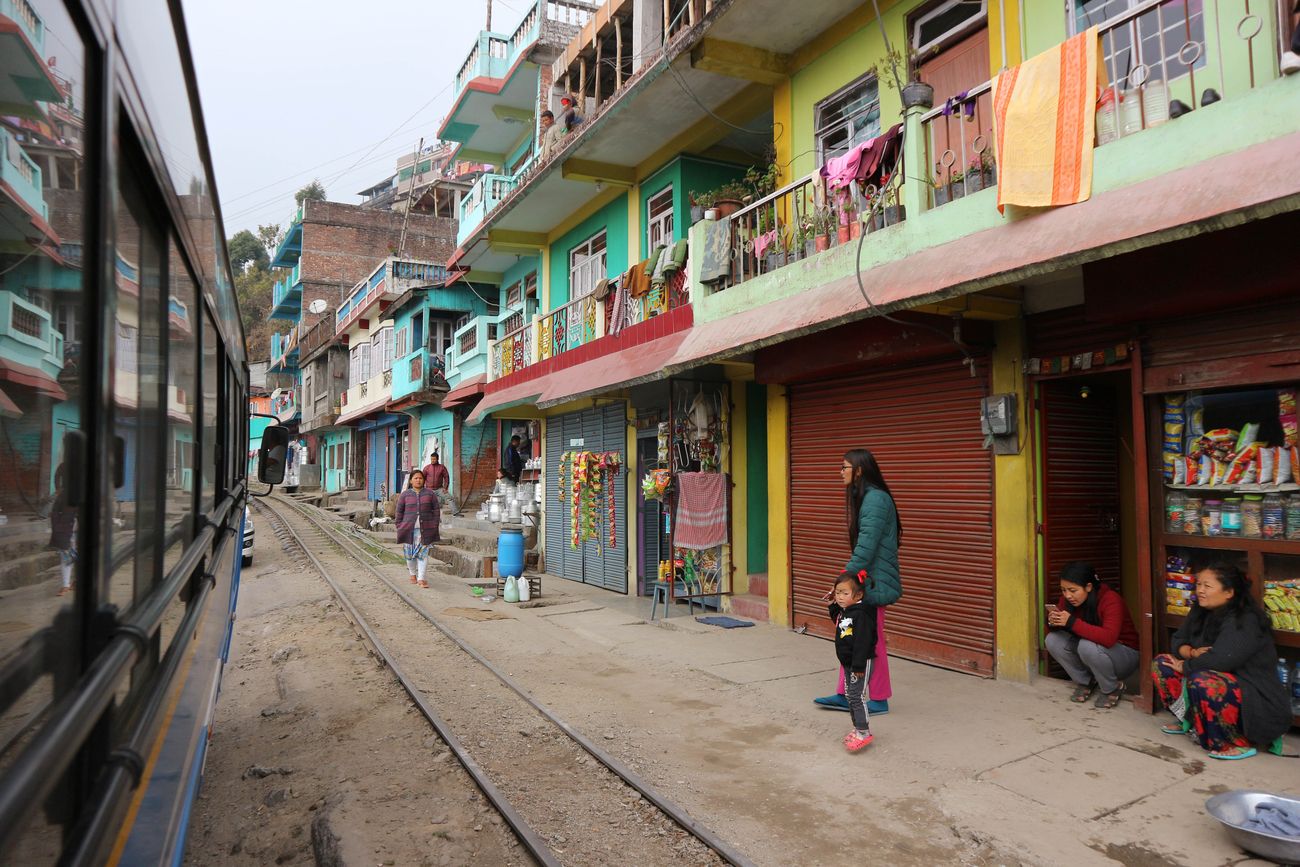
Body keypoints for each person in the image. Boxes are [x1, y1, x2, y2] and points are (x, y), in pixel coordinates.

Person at [1151, 562, 1291, 760]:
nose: (1200, 590)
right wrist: (1190, 652)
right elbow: (1178, 640)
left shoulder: (1245, 619)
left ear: (1228, 592)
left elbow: (1221, 660)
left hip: (1253, 694)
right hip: (1208, 671)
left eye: (1207, 586)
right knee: (1162, 664)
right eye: (1198, 584)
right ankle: (1191, 722)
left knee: (1202, 681)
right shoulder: (1200, 611)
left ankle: (1236, 741)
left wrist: (1186, 665)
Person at [814, 449, 899, 715]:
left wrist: (843, 582)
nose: (841, 472)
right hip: (865, 581)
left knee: (870, 641)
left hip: (871, 584)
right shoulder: (869, 498)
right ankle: (845, 693)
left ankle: (879, 699)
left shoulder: (875, 500)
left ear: (859, 470)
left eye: (844, 467)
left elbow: (866, 547)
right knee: (849, 634)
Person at [1044, 561, 1140, 708]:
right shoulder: (1067, 600)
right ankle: (1086, 681)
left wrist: (1071, 622)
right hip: (1093, 652)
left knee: (1086, 646)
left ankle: (1112, 687)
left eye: (1073, 590)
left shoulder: (1110, 599)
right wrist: (1053, 622)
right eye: (1063, 590)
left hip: (1124, 655)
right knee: (1052, 640)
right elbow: (1062, 629)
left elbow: (1108, 638)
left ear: (1088, 587)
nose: (1068, 595)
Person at [829, 570, 879, 752]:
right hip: (849, 662)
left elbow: (862, 642)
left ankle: (864, 732)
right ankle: (858, 727)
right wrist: (832, 604)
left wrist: (858, 665)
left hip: (860, 663)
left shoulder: (862, 615)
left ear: (858, 595)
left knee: (857, 697)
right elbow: (839, 621)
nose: (840, 597)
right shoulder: (846, 611)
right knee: (851, 696)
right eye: (837, 592)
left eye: (844, 593)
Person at [395, 469, 440, 589]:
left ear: (424, 480)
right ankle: (412, 574)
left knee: (423, 555)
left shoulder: (430, 494)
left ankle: (421, 578)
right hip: (408, 530)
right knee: (410, 556)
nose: (418, 480)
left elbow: (436, 511)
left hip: (425, 530)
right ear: (411, 480)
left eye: (420, 478)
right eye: (416, 478)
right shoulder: (405, 495)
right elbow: (399, 512)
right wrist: (399, 526)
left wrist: (435, 525)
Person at [48, 465, 76, 597]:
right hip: (65, 520)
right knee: (65, 552)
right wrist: (59, 489)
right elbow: (57, 474)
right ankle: (65, 585)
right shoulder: (65, 465)